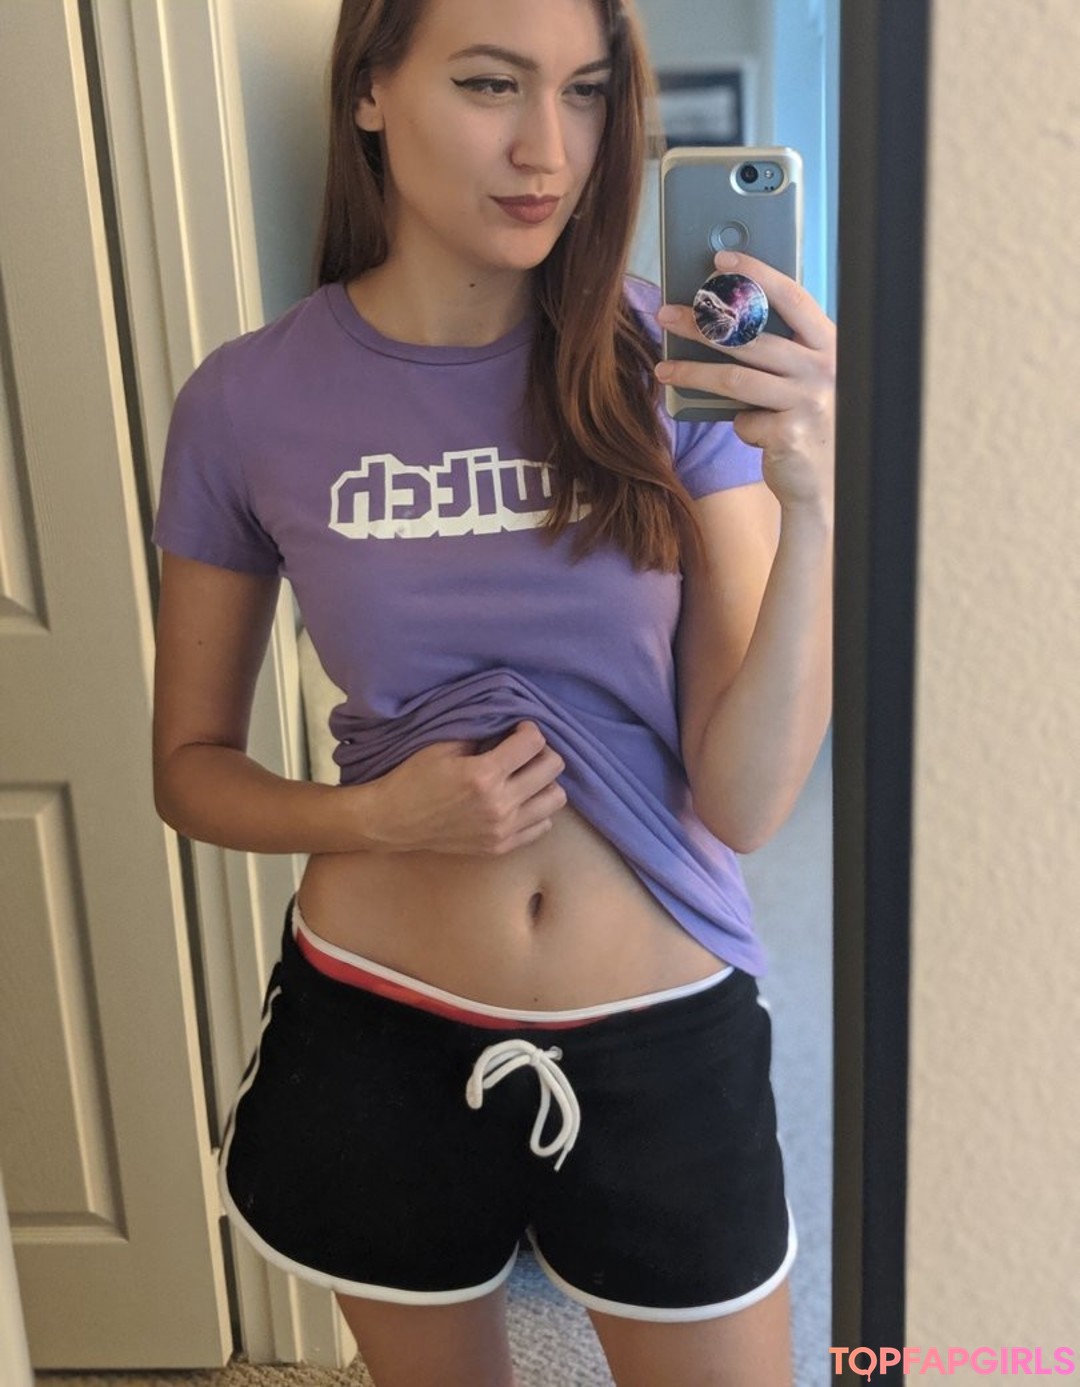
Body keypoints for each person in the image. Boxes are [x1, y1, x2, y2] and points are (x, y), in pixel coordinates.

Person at [151, 0, 835, 1382]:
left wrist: (812, 500)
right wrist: (379, 817)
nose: (548, 150)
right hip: (376, 1029)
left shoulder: (668, 368)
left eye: (584, 92)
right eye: (489, 84)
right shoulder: (246, 402)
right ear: (369, 91)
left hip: (658, 1033)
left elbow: (749, 802)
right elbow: (189, 771)